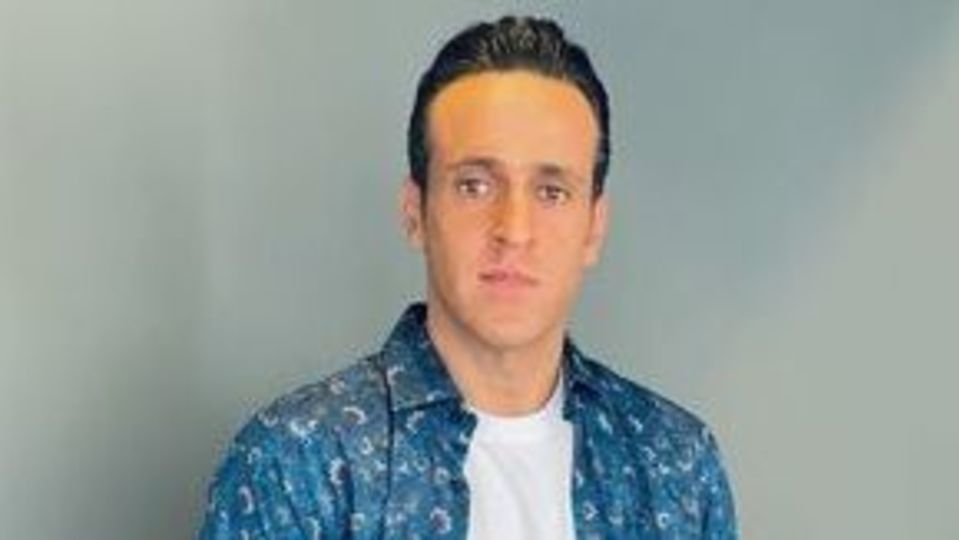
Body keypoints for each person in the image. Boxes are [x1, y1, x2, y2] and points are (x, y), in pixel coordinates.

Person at [199, 15, 738, 540]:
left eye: (552, 192)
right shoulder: (297, 465)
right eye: (475, 185)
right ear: (415, 212)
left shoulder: (676, 465)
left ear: (594, 228)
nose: (514, 230)